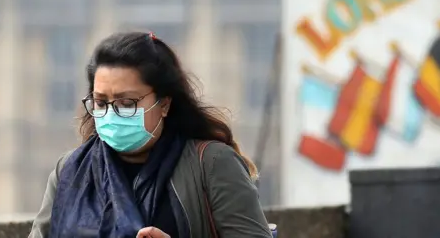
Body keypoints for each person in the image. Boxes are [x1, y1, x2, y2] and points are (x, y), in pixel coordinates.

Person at [28, 32, 271, 238]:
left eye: (126, 102)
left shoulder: (212, 164)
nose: (111, 113)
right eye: (101, 102)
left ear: (163, 104)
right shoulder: (69, 171)